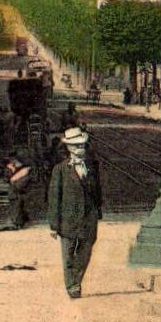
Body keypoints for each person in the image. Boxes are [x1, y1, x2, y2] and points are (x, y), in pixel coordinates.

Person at [47, 126, 103, 299]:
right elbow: (54, 198)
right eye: (77, 146)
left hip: (88, 218)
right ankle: (72, 285)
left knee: (86, 252)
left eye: (83, 145)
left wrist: (97, 211)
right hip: (68, 219)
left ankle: (76, 279)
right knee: (68, 255)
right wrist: (54, 225)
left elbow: (98, 191)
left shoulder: (92, 166)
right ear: (69, 148)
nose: (81, 148)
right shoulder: (60, 170)